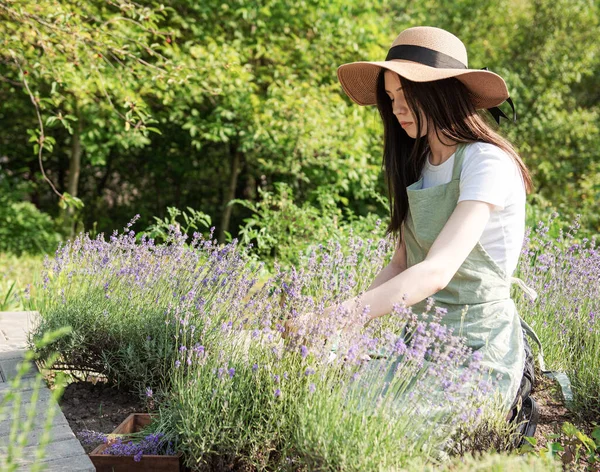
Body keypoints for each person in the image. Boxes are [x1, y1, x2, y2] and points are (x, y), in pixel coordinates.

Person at [284, 25, 540, 436]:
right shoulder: (418, 164)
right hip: (420, 346)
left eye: (408, 96)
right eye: (391, 98)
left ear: (443, 93)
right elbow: (401, 264)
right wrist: (343, 330)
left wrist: (331, 319)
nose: (397, 108)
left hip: (478, 349)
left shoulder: (486, 162)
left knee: (381, 430)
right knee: (318, 408)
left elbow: (436, 271)